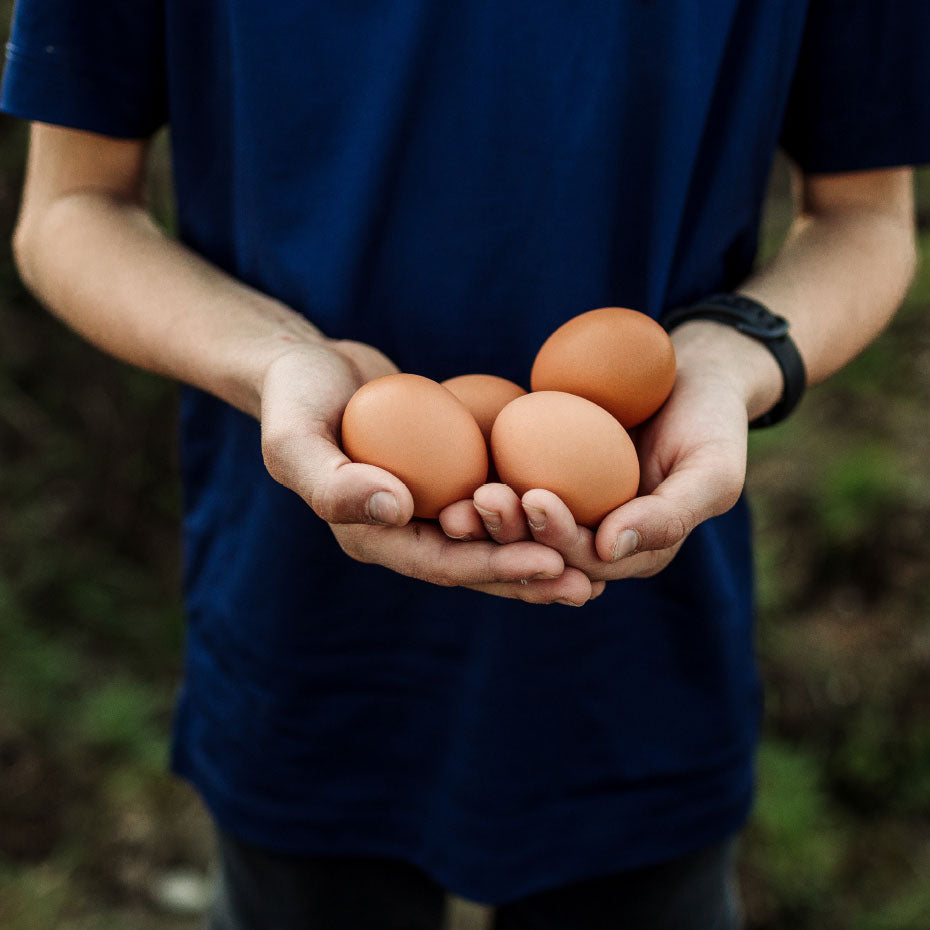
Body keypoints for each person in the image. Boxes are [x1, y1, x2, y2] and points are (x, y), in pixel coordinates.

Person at [3, 1, 929, 927]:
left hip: (641, 657)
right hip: (302, 632)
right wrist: (276, 359)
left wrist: (728, 361)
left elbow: (867, 216)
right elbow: (70, 209)